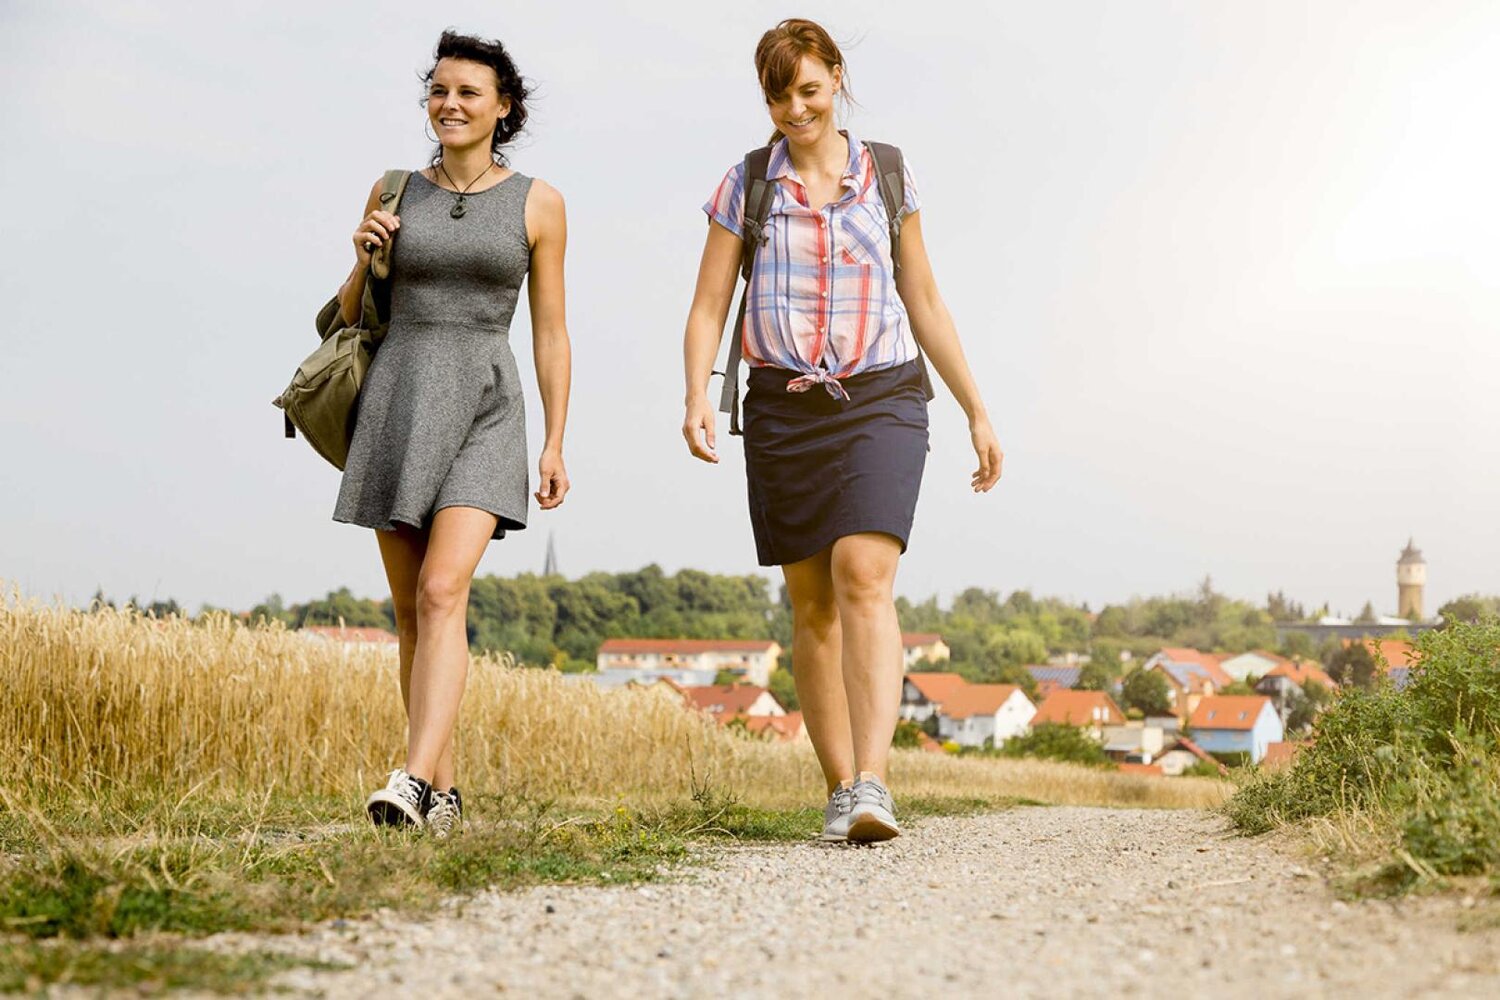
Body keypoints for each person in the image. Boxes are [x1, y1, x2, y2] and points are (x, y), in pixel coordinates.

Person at [681, 19, 1002, 844]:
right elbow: (709, 304)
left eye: (809, 90)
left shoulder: (886, 174)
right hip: (783, 406)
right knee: (812, 602)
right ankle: (838, 787)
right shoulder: (747, 185)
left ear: (835, 78)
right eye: (779, 97)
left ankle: (874, 783)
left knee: (864, 572)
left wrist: (975, 408)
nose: (796, 109)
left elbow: (923, 297)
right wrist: (695, 395)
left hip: (881, 395)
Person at [332, 30, 572, 836]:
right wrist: (362, 255)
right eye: (439, 90)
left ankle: (408, 778)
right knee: (413, 612)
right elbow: (348, 315)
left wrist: (555, 440)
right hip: (399, 400)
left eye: (468, 92)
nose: (450, 104)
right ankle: (443, 792)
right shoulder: (394, 189)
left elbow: (550, 331)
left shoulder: (539, 202)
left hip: (487, 407)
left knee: (442, 591)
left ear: (503, 108)